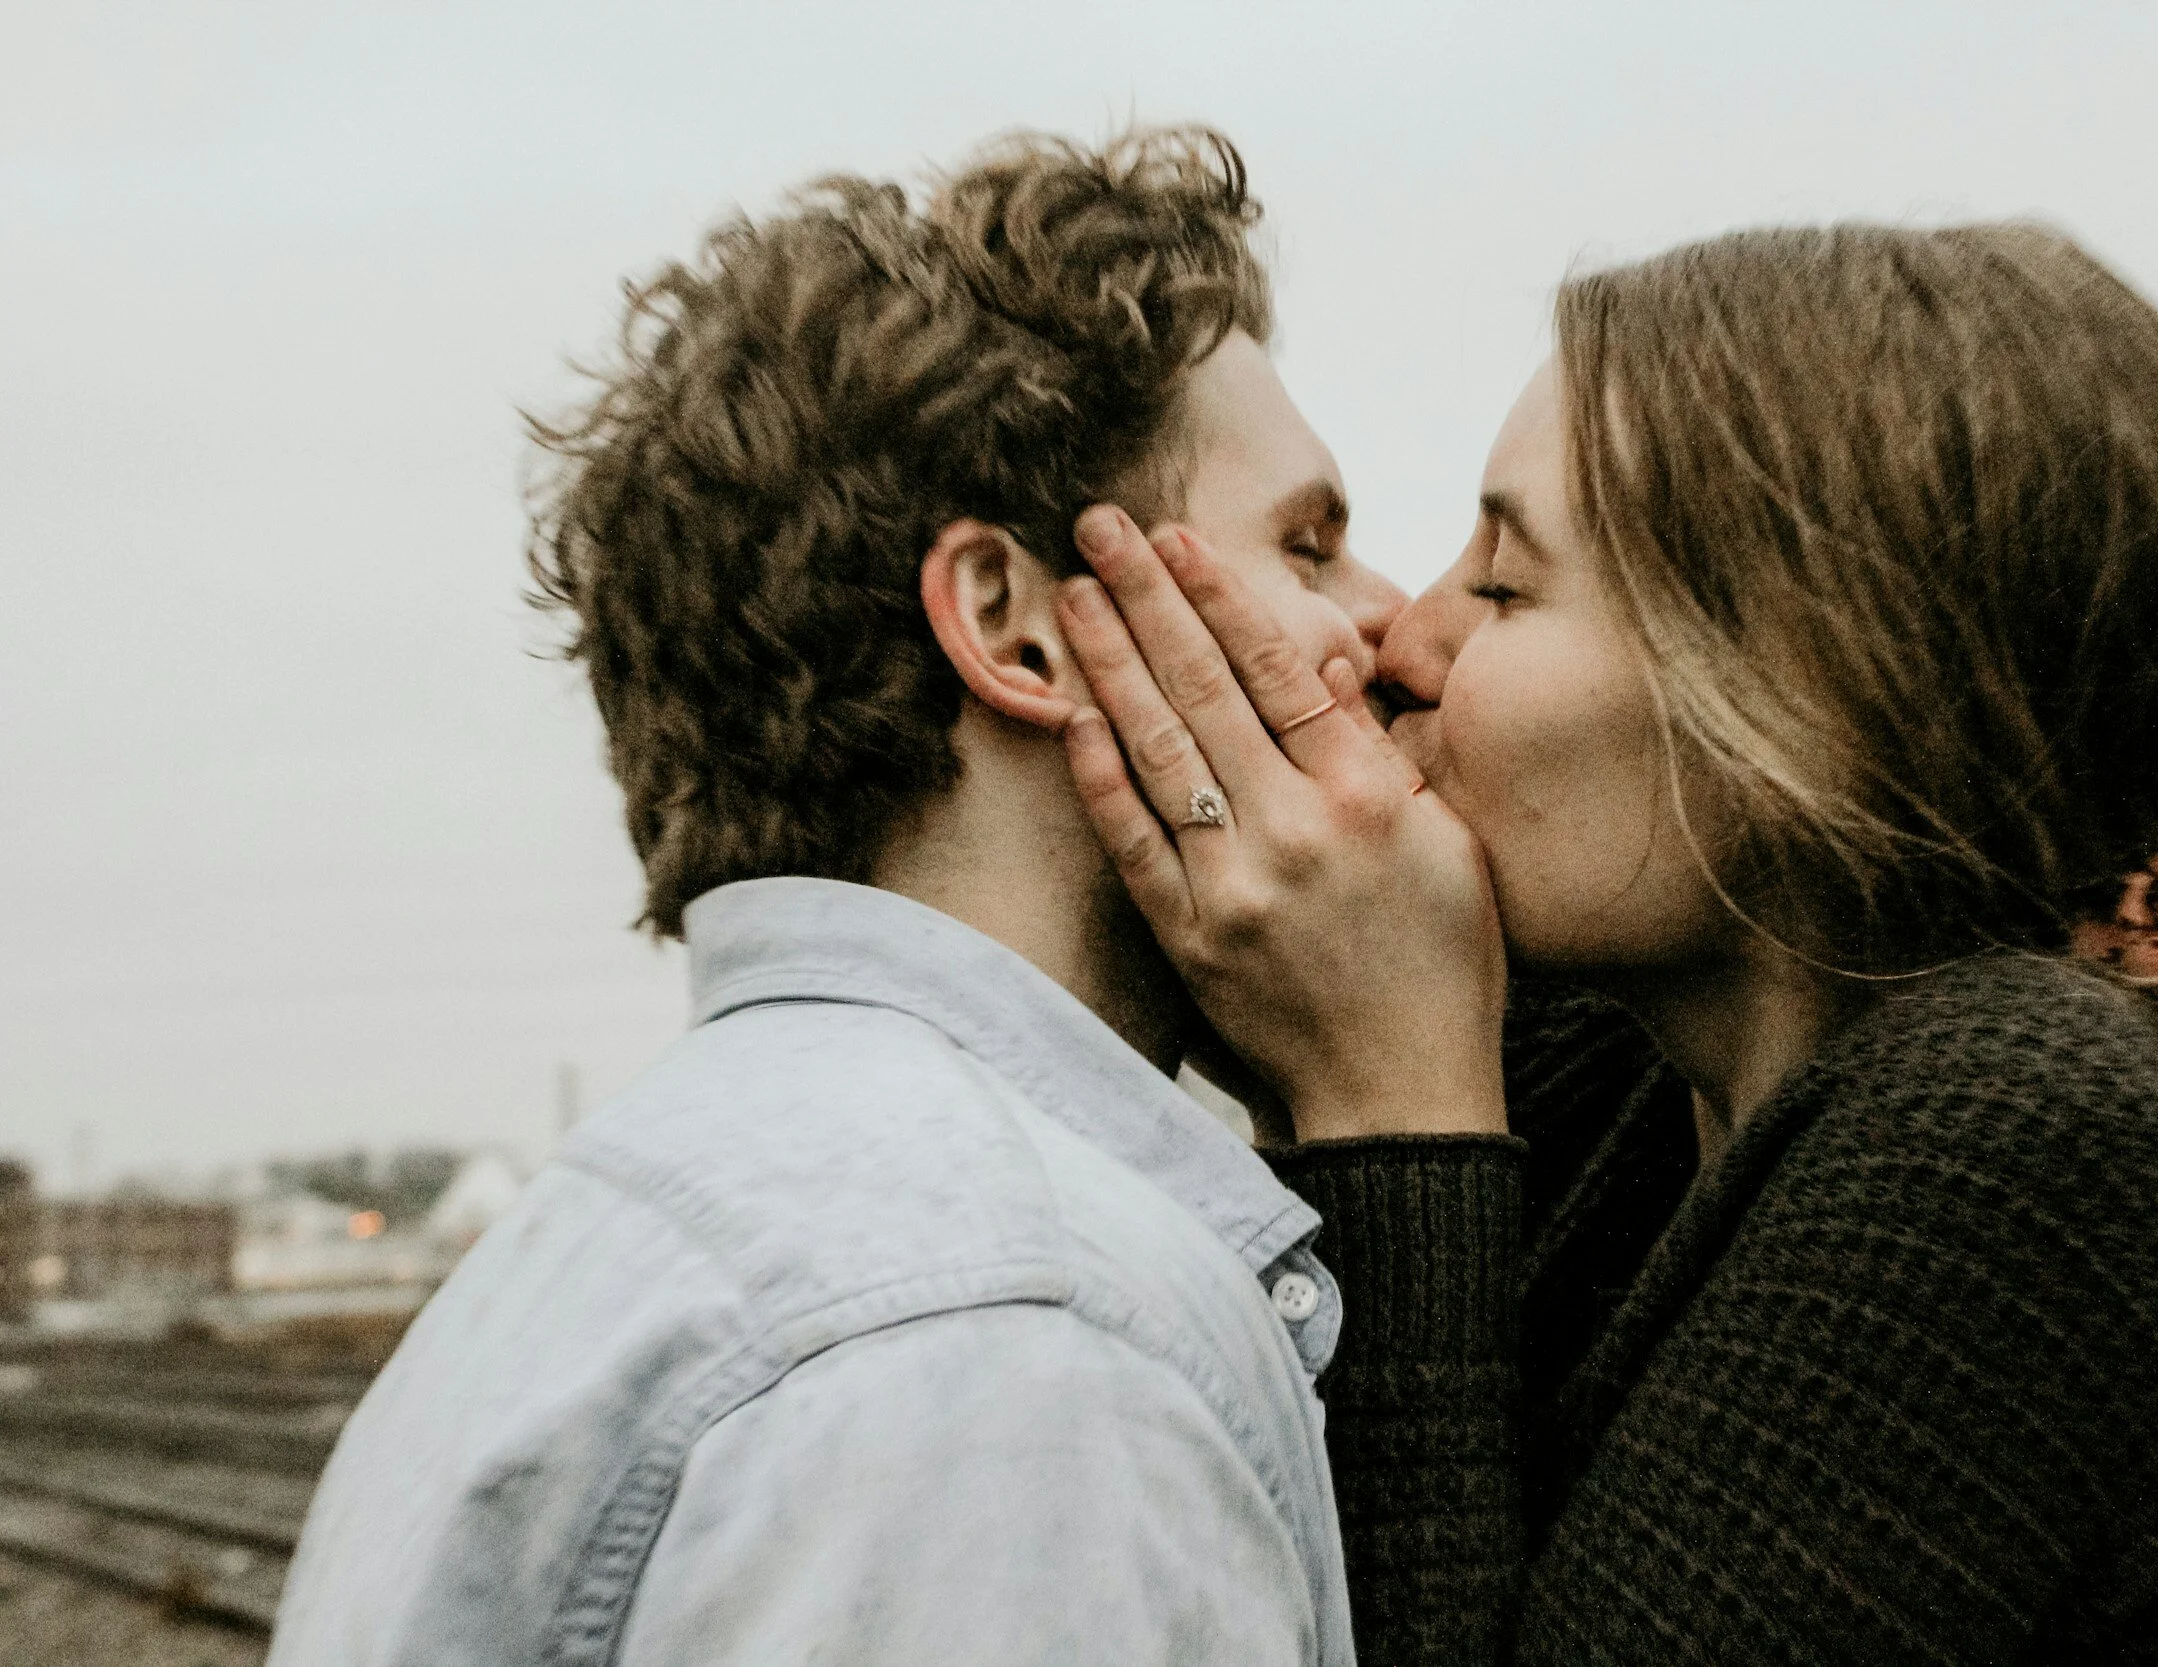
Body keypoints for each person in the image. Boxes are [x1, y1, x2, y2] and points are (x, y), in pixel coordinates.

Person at [1054, 223, 2158, 1667]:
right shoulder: (1639, 1082)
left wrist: (1389, 1111)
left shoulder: (2022, 1123)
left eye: (1503, 587)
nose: (1400, 640)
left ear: (1792, 706)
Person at [268, 126, 1405, 1666]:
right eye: (1311, 545)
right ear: (1016, 629)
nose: (1389, 628)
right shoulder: (1014, 1345)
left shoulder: (607, 1230)